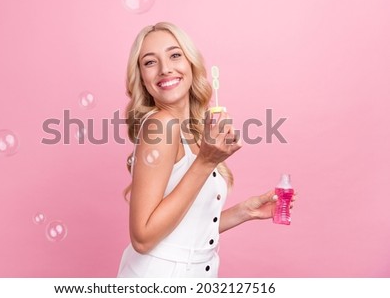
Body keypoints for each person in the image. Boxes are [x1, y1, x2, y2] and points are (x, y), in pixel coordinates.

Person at [117, 22, 295, 277]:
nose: (165, 68)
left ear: (191, 64)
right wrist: (205, 162)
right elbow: (143, 238)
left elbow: (183, 231)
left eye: (175, 55)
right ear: (142, 79)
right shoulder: (162, 125)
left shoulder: (191, 130)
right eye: (149, 62)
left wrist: (245, 211)